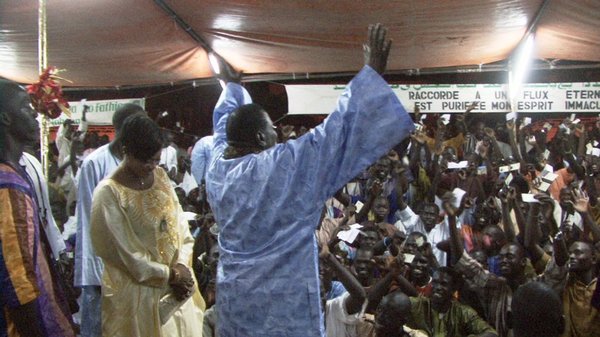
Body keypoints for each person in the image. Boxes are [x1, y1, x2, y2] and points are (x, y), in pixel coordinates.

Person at [205, 23, 414, 336]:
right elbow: (332, 136)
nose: (279, 136)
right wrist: (372, 75)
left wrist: (232, 88)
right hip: (282, 305)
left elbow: (223, 126)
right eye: (273, 132)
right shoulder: (277, 168)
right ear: (262, 137)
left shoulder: (216, 167)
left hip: (237, 300)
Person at [90, 114, 204, 336]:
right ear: (126, 150)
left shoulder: (160, 176)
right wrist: (170, 275)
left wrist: (181, 265)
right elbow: (126, 255)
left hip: (178, 290)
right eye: (145, 161)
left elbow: (179, 224)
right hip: (138, 299)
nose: (151, 166)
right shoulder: (109, 193)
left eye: (155, 160)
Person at [0, 79, 75, 336]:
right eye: (24, 108)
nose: (34, 113)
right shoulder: (6, 185)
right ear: (5, 119)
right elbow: (18, 283)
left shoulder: (18, 170)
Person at [74, 103, 146, 337]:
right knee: (97, 327)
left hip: (132, 263)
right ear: (124, 129)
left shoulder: (140, 163)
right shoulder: (95, 163)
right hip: (100, 264)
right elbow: (89, 218)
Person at [405, 268, 498, 337]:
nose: (437, 287)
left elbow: (492, 334)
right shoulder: (416, 304)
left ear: (454, 289)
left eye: (443, 284)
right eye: (435, 282)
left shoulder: (463, 312)